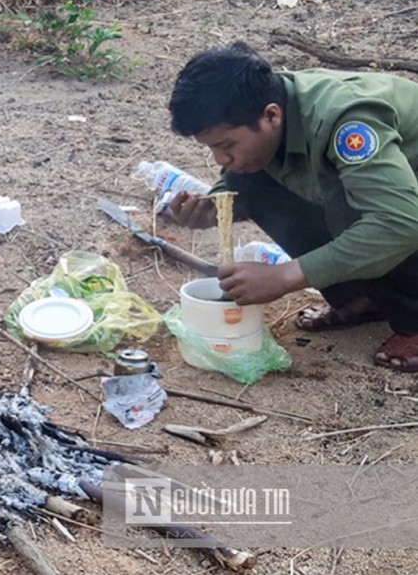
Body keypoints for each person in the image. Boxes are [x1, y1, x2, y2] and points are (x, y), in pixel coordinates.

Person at [167, 41, 418, 372]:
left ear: (271, 115)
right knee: (247, 180)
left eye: (226, 145)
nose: (221, 158)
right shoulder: (268, 103)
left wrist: (286, 275)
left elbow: (401, 222)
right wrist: (214, 206)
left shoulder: (346, 120)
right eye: (212, 149)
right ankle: (362, 297)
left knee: (370, 208)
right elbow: (246, 181)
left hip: (407, 208)